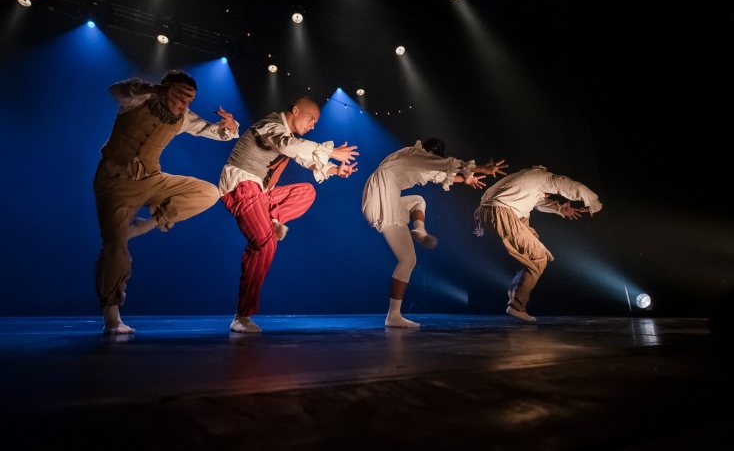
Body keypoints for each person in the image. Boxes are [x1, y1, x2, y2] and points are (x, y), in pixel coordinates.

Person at [94, 70, 240, 335]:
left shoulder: (182, 117)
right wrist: (155, 89)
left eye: (190, 100)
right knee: (115, 246)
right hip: (115, 179)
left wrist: (229, 128)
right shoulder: (138, 99)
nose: (184, 103)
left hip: (151, 178)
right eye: (180, 95)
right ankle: (112, 317)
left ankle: (148, 224)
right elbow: (115, 89)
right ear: (165, 88)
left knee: (210, 192)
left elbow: (210, 130)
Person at [219, 96, 359, 333]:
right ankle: (241, 316)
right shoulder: (271, 126)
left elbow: (305, 158)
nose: (312, 125)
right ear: (295, 110)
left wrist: (335, 169)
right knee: (265, 244)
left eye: (315, 122)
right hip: (241, 186)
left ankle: (273, 218)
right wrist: (332, 151)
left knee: (306, 191)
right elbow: (287, 146)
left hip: (260, 193)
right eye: (310, 119)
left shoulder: (290, 136)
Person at [362, 138, 508, 328]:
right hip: (382, 197)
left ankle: (420, 230)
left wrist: (466, 179)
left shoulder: (418, 162)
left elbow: (439, 175)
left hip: (382, 195)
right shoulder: (413, 154)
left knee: (417, 201)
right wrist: (481, 168)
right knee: (408, 260)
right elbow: (447, 165)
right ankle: (393, 316)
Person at [473, 165, 603, 323]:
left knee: (529, 260)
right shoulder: (544, 178)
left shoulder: (523, 178)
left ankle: (516, 301)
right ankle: (516, 306)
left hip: (495, 213)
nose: (545, 195)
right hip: (503, 213)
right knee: (539, 258)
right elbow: (570, 186)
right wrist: (593, 201)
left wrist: (561, 209)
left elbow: (537, 202)